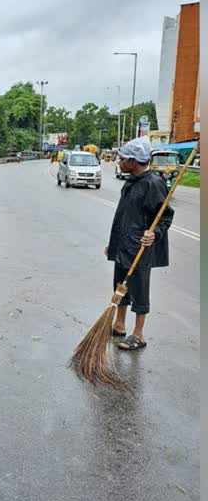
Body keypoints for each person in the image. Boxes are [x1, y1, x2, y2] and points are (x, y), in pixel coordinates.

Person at [106, 137, 174, 352]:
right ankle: (119, 324)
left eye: (122, 159)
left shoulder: (153, 183)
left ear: (134, 161)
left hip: (139, 247)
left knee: (139, 289)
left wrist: (153, 233)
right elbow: (123, 216)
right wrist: (113, 243)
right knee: (120, 285)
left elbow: (164, 216)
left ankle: (138, 334)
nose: (119, 162)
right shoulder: (131, 181)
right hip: (123, 245)